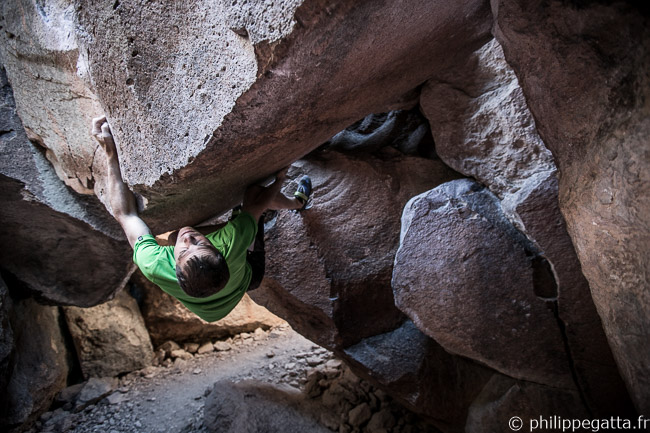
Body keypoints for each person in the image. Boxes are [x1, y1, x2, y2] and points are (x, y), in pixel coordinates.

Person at [92, 115, 312, 322]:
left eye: (185, 250)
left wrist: (110, 151)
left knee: (175, 235)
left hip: (215, 308)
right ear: (219, 249)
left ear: (174, 270)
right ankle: (298, 203)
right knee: (253, 198)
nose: (189, 239)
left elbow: (125, 214)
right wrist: (280, 179)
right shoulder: (234, 242)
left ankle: (287, 207)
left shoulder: (153, 263)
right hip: (250, 276)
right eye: (199, 243)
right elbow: (258, 201)